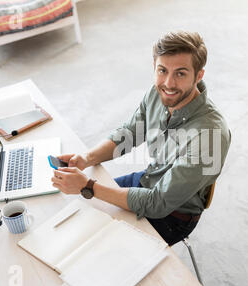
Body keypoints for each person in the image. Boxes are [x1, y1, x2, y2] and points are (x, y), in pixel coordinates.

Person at [51, 31, 231, 246]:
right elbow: (129, 133)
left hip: (173, 215)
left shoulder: (210, 136)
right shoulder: (158, 93)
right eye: (162, 71)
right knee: (81, 214)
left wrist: (89, 186)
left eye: (180, 74)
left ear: (198, 75)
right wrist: (86, 159)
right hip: (148, 178)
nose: (168, 83)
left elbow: (158, 203)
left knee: (96, 243)